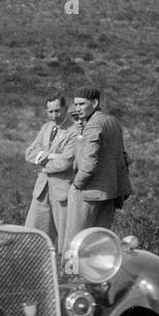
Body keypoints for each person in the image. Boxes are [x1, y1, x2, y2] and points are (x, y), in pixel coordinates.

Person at [64, 86, 132, 248]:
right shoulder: (112, 122)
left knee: (76, 243)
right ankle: (93, 274)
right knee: (99, 245)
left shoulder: (94, 125)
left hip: (88, 192)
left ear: (94, 103)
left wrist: (77, 184)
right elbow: (122, 157)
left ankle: (69, 273)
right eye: (76, 105)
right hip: (109, 192)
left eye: (81, 104)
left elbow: (88, 164)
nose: (77, 108)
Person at [22, 93, 77, 244]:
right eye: (50, 111)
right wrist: (52, 156)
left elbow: (66, 162)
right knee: (33, 235)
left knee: (65, 239)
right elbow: (29, 153)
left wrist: (43, 162)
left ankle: (64, 267)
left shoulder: (74, 131)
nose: (54, 115)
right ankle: (37, 266)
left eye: (57, 110)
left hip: (62, 191)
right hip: (42, 189)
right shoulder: (46, 128)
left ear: (66, 109)